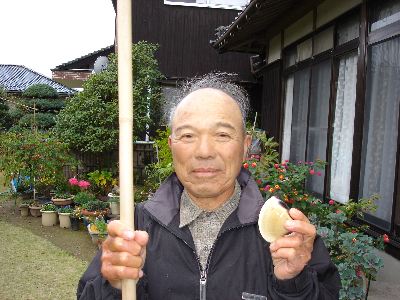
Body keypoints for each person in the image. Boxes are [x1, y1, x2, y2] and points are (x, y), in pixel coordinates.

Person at [77, 74, 340, 300]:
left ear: (246, 146)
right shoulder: (135, 225)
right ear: (171, 146)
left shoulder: (286, 233)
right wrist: (112, 284)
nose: (204, 151)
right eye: (188, 135)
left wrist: (294, 282)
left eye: (222, 135)